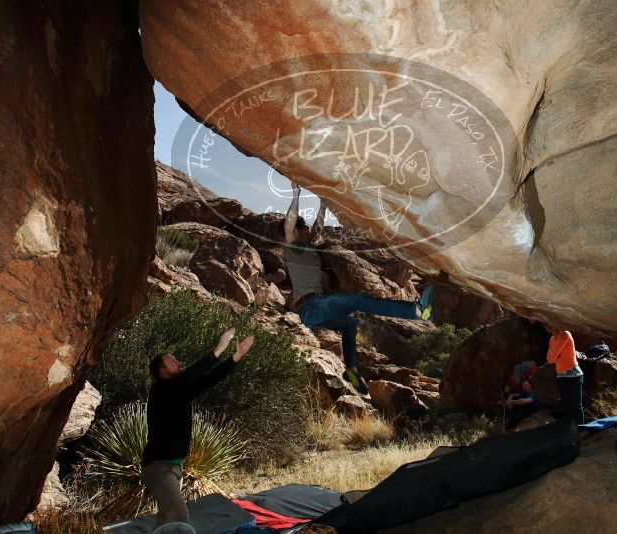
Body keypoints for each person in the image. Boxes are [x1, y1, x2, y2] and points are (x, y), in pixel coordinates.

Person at [283, 184, 434, 394]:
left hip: (312, 312)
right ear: (299, 230)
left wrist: (323, 204)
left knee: (349, 324)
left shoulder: (309, 248)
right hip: (311, 305)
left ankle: (351, 371)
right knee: (358, 300)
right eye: (305, 227)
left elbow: (319, 228)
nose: (308, 228)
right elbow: (289, 224)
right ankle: (415, 310)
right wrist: (296, 194)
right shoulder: (292, 246)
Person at [141, 327, 255, 528]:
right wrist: (216, 351)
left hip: (174, 467)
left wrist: (236, 356)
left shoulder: (179, 392)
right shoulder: (160, 390)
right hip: (158, 468)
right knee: (178, 513)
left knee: (165, 518)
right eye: (172, 361)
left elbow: (209, 379)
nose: (178, 362)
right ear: (162, 370)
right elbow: (190, 376)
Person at [545, 327, 584, 425]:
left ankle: (581, 429)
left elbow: (552, 357)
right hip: (561, 376)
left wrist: (556, 356)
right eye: (545, 325)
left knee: (576, 406)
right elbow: (550, 360)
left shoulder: (565, 334)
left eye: (548, 324)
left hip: (574, 375)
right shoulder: (552, 339)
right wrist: (555, 355)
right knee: (567, 406)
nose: (547, 327)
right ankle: (571, 431)